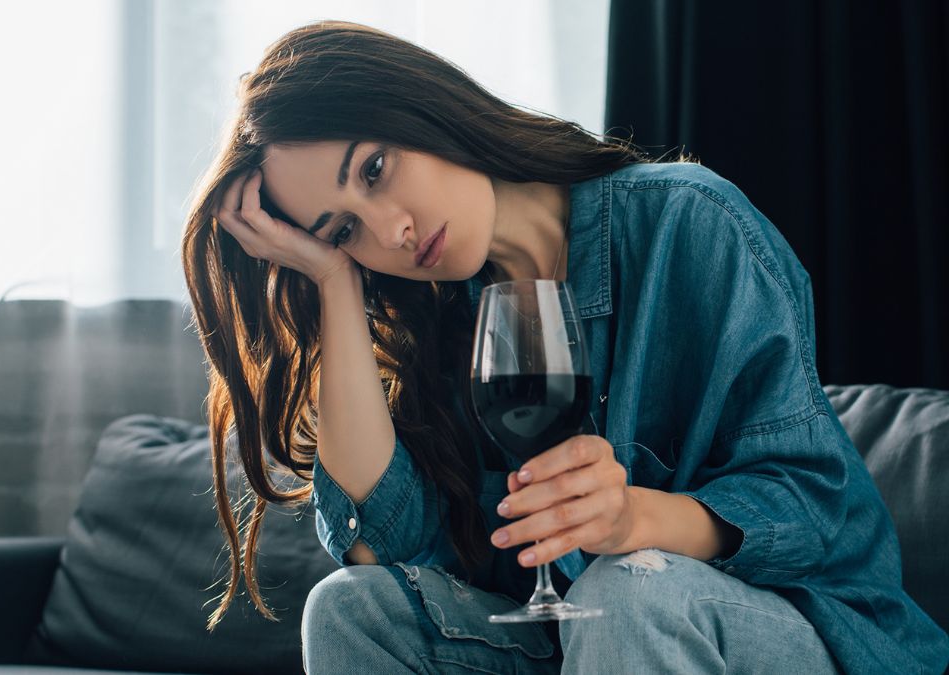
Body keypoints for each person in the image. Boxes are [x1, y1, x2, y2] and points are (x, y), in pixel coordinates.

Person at [180, 19, 948, 674]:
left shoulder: (688, 224)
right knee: (352, 608)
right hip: (586, 636)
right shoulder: (442, 322)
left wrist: (631, 519)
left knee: (628, 586)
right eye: (345, 230)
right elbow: (389, 554)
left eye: (376, 170)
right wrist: (334, 285)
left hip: (801, 632)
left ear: (423, 108)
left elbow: (815, 509)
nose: (391, 232)